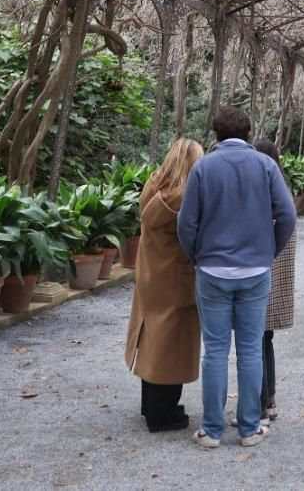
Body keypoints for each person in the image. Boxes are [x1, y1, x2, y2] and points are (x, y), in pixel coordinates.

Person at [178, 106, 296, 449]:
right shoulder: (266, 166)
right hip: (255, 271)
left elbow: (186, 223)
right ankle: (248, 429)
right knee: (249, 349)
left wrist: (198, 256)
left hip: (212, 270)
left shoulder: (203, 167)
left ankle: (212, 430)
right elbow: (287, 215)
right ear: (248, 134)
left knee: (214, 350)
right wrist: (268, 252)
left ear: (215, 135)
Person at [123, 138, 204, 432]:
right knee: (172, 345)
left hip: (150, 274)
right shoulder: (182, 199)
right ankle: (162, 413)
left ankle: (151, 406)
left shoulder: (153, 187)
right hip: (174, 277)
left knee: (152, 340)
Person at [252, 138, 295, 424]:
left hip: (262, 274)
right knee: (264, 339)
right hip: (277, 276)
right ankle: (270, 400)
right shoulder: (281, 188)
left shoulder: (264, 191)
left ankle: (259, 409)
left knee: (254, 340)